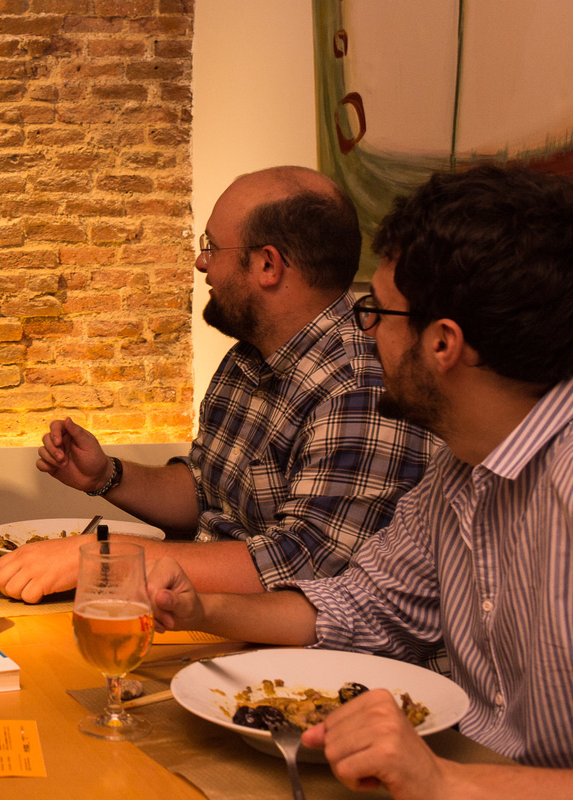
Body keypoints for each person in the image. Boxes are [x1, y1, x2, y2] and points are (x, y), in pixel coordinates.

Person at [148, 165, 573, 795]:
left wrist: (448, 783)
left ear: (443, 344)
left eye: (377, 310)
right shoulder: (459, 472)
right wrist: (200, 608)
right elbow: (361, 607)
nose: (362, 328)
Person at [0, 166, 434, 603]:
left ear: (268, 264)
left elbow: (302, 564)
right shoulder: (248, 355)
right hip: (205, 616)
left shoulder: (358, 385)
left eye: (211, 245)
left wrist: (106, 557)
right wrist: (107, 475)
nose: (201, 261)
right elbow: (207, 492)